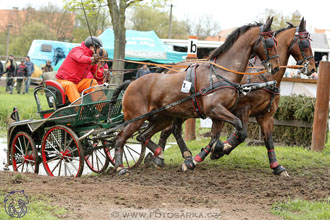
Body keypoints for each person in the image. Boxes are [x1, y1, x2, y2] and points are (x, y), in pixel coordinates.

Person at [55, 36, 102, 103]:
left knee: (92, 82)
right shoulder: (77, 50)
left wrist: (104, 75)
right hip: (63, 81)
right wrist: (91, 59)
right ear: (92, 47)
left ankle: (102, 107)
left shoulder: (92, 58)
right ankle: (80, 110)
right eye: (98, 48)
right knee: (70, 85)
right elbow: (80, 58)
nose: (99, 50)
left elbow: (97, 75)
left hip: (77, 82)